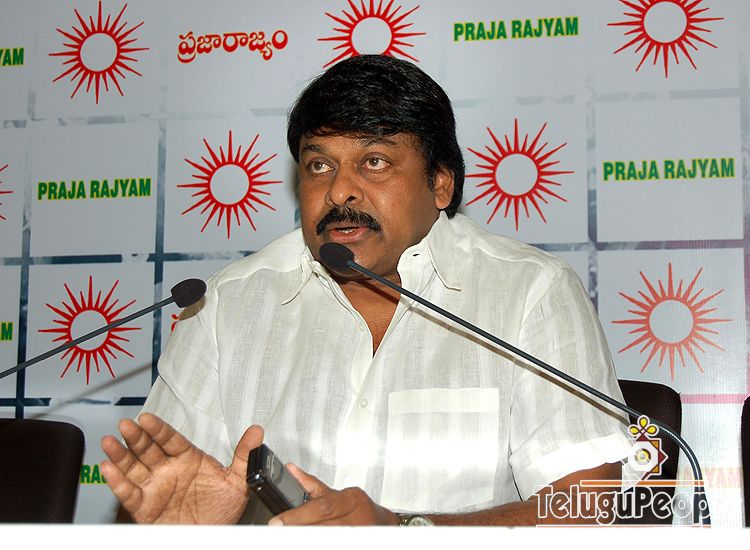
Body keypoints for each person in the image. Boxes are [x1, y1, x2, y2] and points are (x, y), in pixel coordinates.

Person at [101, 54, 633, 526]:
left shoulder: (531, 292)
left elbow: (588, 508)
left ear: (440, 183)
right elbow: (161, 498)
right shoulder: (226, 304)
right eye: (319, 165)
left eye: (374, 162)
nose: (338, 190)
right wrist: (179, 530)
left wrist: (403, 534)